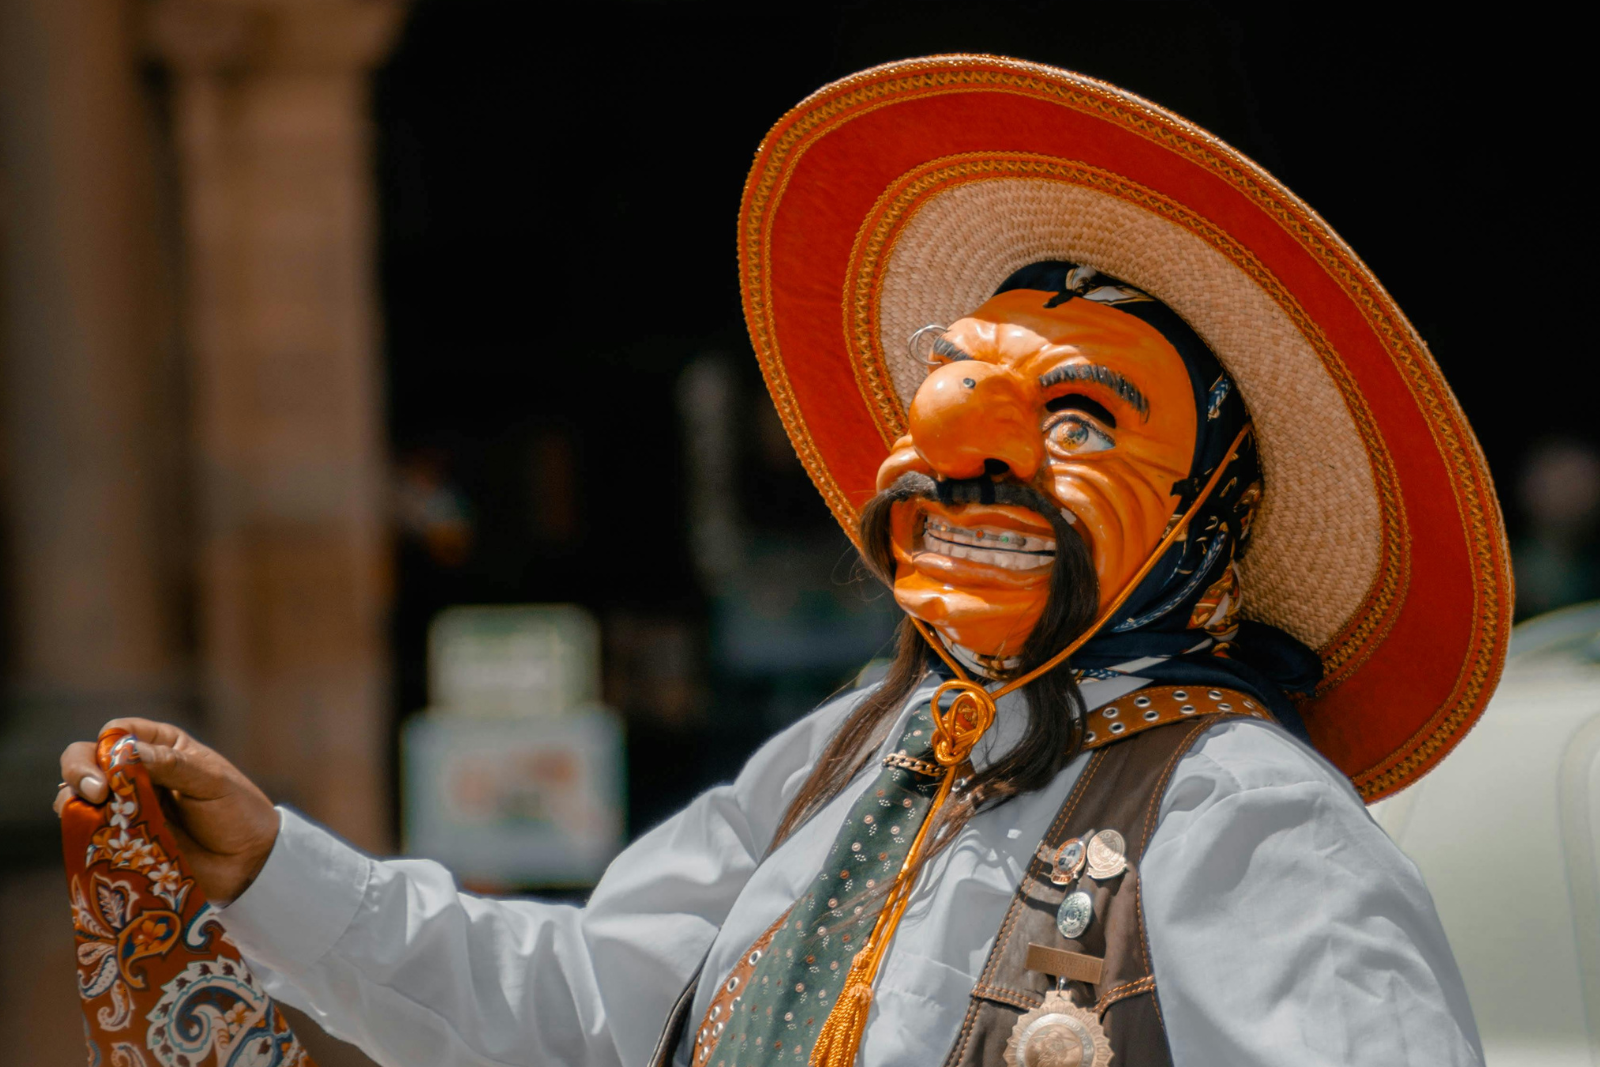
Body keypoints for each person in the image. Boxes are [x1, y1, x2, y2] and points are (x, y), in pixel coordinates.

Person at [57, 56, 1508, 1067]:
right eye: (948, 393)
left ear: (1210, 522)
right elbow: (584, 1014)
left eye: (1077, 418)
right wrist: (268, 866)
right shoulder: (849, 755)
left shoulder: (1247, 821)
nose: (963, 455)